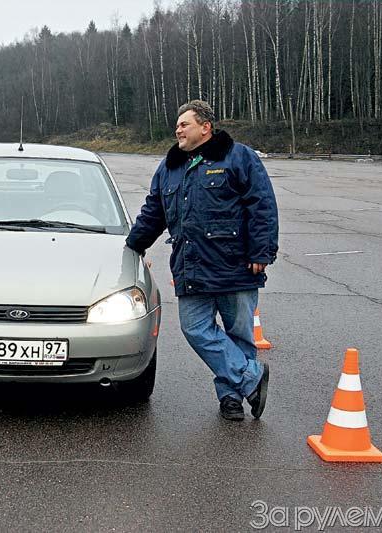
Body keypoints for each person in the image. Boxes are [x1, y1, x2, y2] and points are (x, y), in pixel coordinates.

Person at [127, 100, 278, 421]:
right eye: (177, 125)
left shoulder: (239, 157)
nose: (178, 130)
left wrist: (261, 251)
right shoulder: (169, 167)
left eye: (184, 124)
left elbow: (261, 204)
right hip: (191, 267)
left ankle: (231, 398)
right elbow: (153, 212)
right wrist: (132, 246)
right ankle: (250, 379)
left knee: (239, 336)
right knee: (195, 328)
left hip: (236, 265)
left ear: (205, 127)